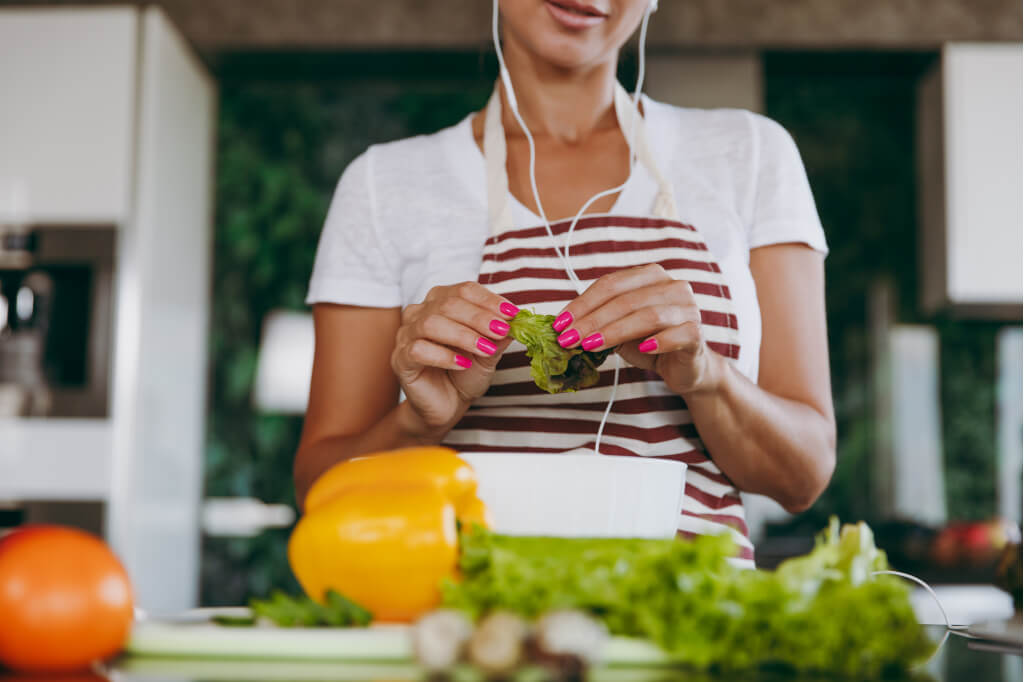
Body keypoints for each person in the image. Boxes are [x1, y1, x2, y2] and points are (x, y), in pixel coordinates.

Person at [295, 0, 835, 564]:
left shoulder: (750, 153)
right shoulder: (384, 185)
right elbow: (321, 492)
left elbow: (802, 478)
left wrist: (707, 378)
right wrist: (419, 422)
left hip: (689, 633)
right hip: (473, 635)